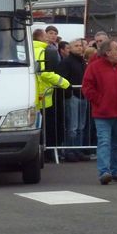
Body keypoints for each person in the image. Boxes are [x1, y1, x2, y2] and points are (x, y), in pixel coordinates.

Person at [82, 40, 117, 184]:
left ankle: (115, 171)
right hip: (103, 113)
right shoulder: (94, 67)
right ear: (107, 52)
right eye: (116, 49)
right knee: (104, 142)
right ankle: (104, 172)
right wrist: (100, 101)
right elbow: (87, 87)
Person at [33, 28, 70, 160]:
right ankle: (46, 155)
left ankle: (38, 153)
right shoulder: (44, 51)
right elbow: (46, 73)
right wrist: (65, 83)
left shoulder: (29, 50)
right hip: (44, 97)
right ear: (41, 37)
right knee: (46, 129)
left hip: (32, 96)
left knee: (35, 129)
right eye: (46, 35)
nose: (48, 38)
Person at [56, 38, 88, 162]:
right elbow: (61, 79)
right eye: (76, 46)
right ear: (70, 48)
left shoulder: (82, 62)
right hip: (73, 97)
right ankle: (70, 151)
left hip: (83, 96)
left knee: (81, 126)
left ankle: (78, 150)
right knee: (72, 127)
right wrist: (69, 94)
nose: (80, 47)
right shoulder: (66, 62)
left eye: (81, 45)